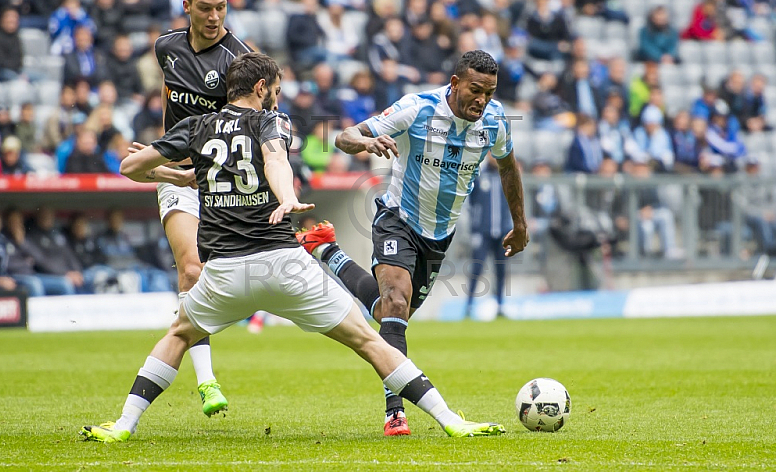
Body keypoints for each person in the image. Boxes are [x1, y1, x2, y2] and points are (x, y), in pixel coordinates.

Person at [80, 51, 504, 443]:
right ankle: (451, 420)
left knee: (178, 335)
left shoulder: (196, 127)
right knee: (370, 342)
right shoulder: (273, 121)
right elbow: (275, 160)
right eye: (277, 91)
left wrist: (177, 177)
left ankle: (122, 425)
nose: (278, 99)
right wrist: (285, 197)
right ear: (261, 89)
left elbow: (130, 166)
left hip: (224, 271)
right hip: (283, 265)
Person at [296, 50, 529, 436]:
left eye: (489, 92)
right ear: (455, 84)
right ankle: (395, 413)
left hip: (439, 235)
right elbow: (344, 136)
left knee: (387, 311)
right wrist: (365, 143)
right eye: (475, 90)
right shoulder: (417, 109)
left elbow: (508, 166)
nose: (482, 100)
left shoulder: (496, 120)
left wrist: (519, 223)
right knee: (396, 303)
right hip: (397, 219)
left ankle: (325, 250)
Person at [142, 0, 253, 418]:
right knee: (190, 269)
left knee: (223, 276)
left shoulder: (238, 61)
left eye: (222, 7)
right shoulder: (165, 48)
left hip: (222, 181)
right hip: (178, 177)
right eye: (205, 8)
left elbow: (260, 117)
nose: (215, 16)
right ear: (186, 6)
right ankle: (207, 382)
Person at [465, 152, 513, 318]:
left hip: (502, 231)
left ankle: (500, 305)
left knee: (501, 269)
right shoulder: (479, 175)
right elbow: (470, 204)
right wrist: (474, 229)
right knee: (477, 268)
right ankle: (469, 305)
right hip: (483, 231)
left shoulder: (506, 175)